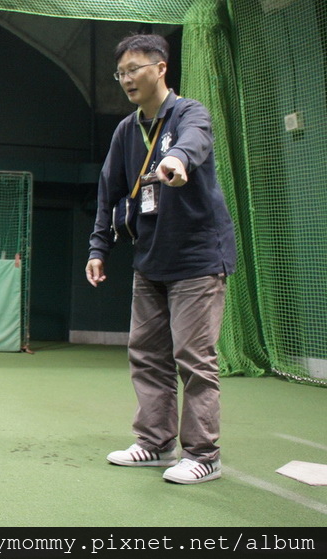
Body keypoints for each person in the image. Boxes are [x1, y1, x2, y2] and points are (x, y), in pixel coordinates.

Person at [86, 33, 236, 485]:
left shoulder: (190, 113)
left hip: (196, 259)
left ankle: (203, 454)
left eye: (135, 69)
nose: (127, 79)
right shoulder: (126, 131)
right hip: (149, 260)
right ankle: (154, 443)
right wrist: (98, 248)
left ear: (161, 68)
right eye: (122, 73)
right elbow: (108, 191)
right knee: (147, 356)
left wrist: (177, 160)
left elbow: (193, 142)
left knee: (194, 357)